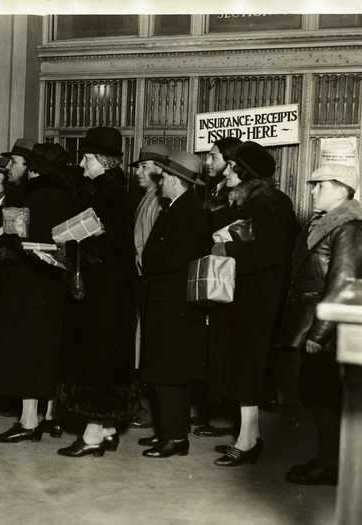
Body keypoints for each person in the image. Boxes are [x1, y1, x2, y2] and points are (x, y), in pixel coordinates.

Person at [282, 164, 362, 485]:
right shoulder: (329, 225)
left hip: (323, 327)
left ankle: (330, 466)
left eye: (320, 185)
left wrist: (319, 333)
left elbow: (342, 285)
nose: (313, 191)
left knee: (322, 397)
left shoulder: (349, 230)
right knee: (316, 395)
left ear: (341, 190)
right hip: (312, 320)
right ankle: (327, 460)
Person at [209, 141, 298, 466]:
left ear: (247, 174)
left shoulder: (269, 205)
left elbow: (270, 253)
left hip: (258, 299)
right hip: (245, 296)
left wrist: (228, 249)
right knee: (242, 366)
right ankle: (247, 435)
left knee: (248, 368)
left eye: (233, 167)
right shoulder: (253, 202)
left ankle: (248, 441)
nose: (227, 170)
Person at [57, 126, 135, 457]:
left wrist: (68, 250)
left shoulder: (104, 195)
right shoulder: (119, 192)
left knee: (94, 358)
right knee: (109, 356)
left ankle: (91, 435)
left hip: (100, 292)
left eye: (87, 157)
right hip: (116, 292)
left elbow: (104, 248)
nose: (82, 163)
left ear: (101, 160)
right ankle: (107, 429)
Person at [0, 143, 75, 443]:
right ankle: (50, 416)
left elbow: (23, 245)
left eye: (14, 162)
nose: (10, 168)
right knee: (48, 351)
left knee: (27, 352)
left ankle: (28, 421)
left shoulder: (32, 197)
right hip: (54, 287)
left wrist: (1, 238)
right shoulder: (66, 195)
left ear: (32, 167)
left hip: (28, 286)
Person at [136, 150, 208, 458]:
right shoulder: (176, 208)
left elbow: (170, 258)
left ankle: (175, 437)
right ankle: (168, 432)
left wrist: (150, 262)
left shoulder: (187, 212)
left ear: (178, 181)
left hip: (173, 305)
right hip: (167, 302)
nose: (159, 181)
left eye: (164, 177)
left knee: (170, 373)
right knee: (165, 371)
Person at [192, 137, 242, 438]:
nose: (208, 163)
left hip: (226, 273)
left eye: (213, 157)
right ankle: (213, 412)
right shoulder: (212, 190)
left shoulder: (236, 194)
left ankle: (227, 418)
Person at [128, 143, 169, 429]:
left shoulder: (158, 201)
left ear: (160, 170)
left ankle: (150, 411)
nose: (139, 172)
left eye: (144, 167)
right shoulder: (147, 197)